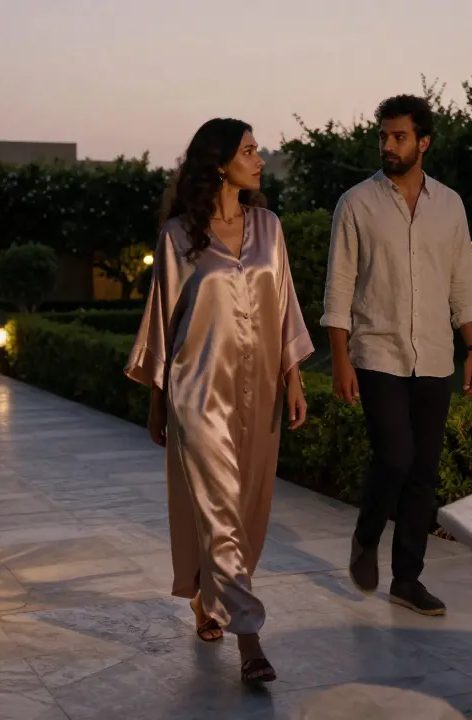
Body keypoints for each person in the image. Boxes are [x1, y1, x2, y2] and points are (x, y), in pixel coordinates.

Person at [125, 118, 315, 684]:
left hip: (263, 392)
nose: (259, 160)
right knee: (220, 509)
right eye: (249, 151)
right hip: (197, 392)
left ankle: (212, 596)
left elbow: (284, 304)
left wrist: (294, 376)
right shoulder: (179, 235)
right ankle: (250, 638)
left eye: (257, 151)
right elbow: (162, 319)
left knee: (249, 509)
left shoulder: (269, 227)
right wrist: (159, 402)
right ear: (219, 163)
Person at [321, 95, 472, 616]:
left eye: (399, 137)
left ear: (423, 142)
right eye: (384, 137)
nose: (388, 146)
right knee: (394, 456)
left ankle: (407, 579)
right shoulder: (356, 204)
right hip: (376, 353)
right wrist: (341, 361)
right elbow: (339, 288)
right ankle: (367, 535)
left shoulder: (451, 205)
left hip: (435, 354)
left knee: (424, 472)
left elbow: (464, 284)